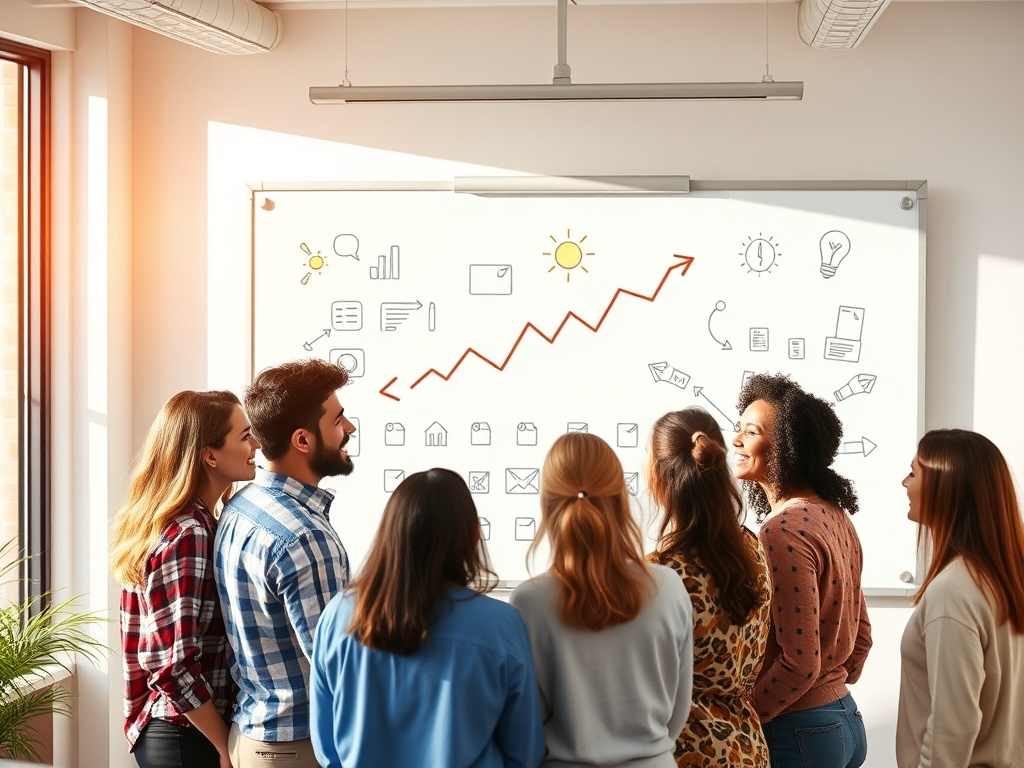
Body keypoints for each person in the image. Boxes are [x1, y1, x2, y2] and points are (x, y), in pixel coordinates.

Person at [309, 468, 545, 768]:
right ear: (474, 535)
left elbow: (327, 749)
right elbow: (524, 752)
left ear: (389, 532)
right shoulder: (502, 625)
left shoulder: (338, 615)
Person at [510, 432, 694, 768]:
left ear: (547, 503)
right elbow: (678, 710)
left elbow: (528, 722)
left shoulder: (528, 602)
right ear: (621, 500)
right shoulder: (668, 587)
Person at [214, 359, 355, 768]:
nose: (349, 428)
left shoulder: (241, 505)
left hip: (251, 735)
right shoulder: (305, 537)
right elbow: (337, 667)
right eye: (338, 420)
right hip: (297, 747)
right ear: (303, 440)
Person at [110, 390, 260, 768]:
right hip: (185, 736)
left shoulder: (191, 523)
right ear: (210, 456)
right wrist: (223, 744)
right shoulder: (189, 533)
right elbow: (172, 665)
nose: (256, 445)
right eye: (245, 436)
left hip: (180, 730)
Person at [732, 373, 872, 768]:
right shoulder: (835, 516)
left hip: (799, 731)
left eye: (751, 432)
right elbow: (861, 639)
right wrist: (830, 692)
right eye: (738, 428)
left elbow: (800, 664)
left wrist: (741, 719)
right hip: (844, 719)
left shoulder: (781, 531)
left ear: (785, 448)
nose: (736, 440)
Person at [647, 408, 771, 767]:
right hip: (748, 746)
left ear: (659, 475)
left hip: (685, 751)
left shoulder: (661, 571)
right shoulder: (751, 547)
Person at [896, 429, 1024, 768]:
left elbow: (952, 727)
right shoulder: (1005, 580)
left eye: (913, 473)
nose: (904, 483)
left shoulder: (952, 591)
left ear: (945, 487)